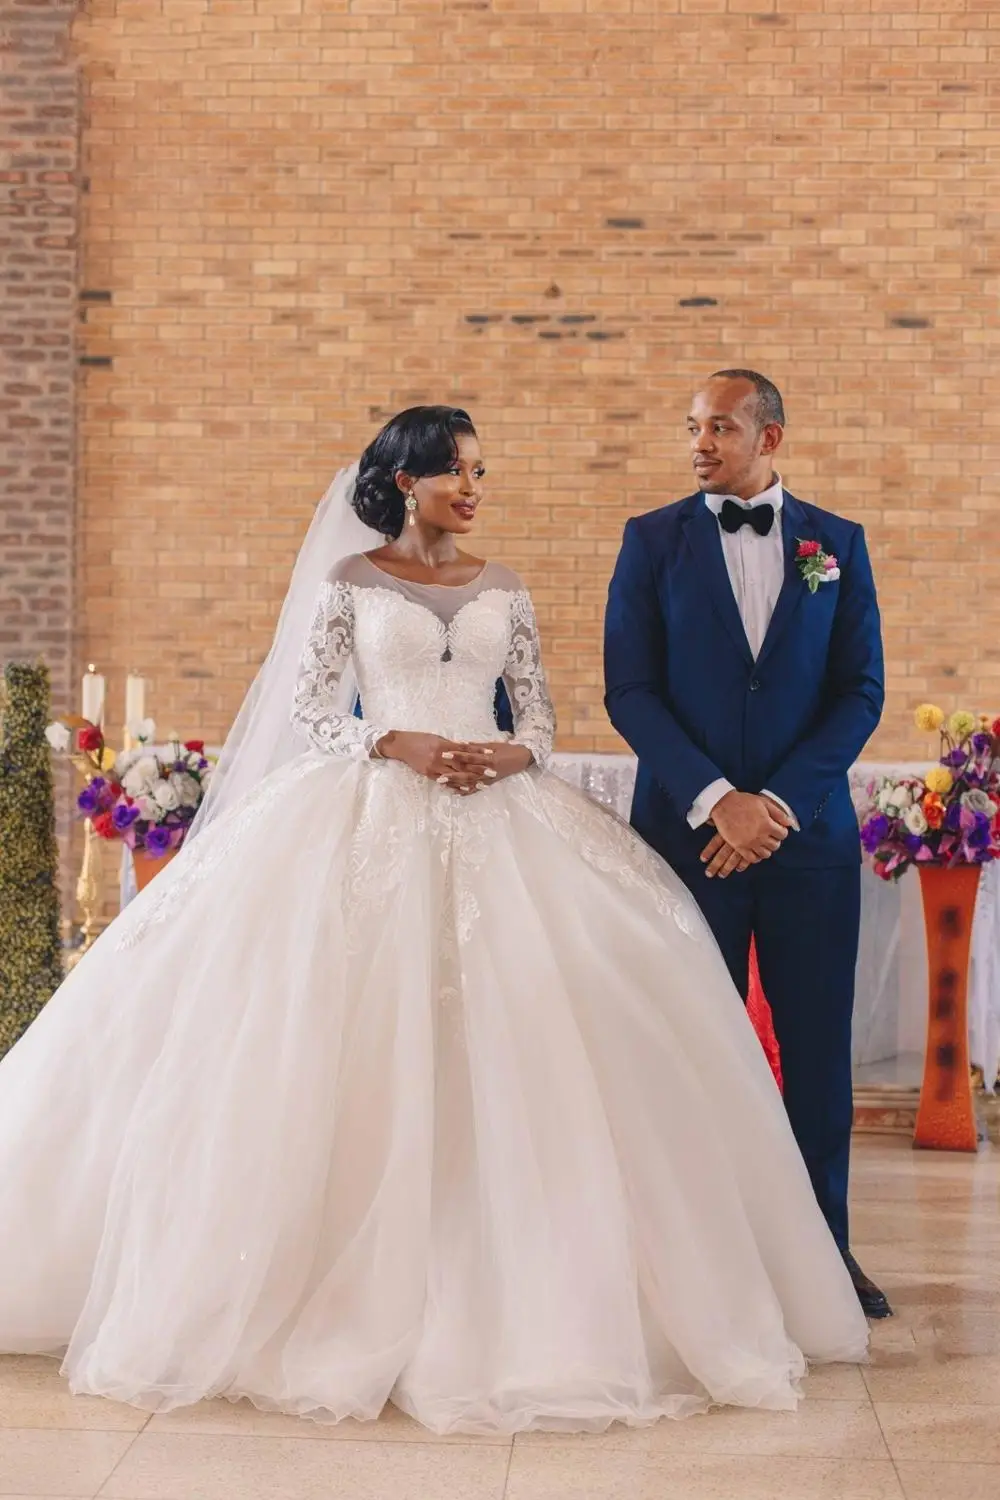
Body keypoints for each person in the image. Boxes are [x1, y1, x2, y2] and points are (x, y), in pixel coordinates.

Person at [0, 406, 869, 1436]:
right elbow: (312, 711)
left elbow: (537, 712)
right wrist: (390, 743)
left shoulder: (504, 586)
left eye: (480, 473)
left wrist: (513, 755)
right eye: (457, 472)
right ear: (404, 482)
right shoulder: (350, 585)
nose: (473, 489)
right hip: (372, 808)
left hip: (502, 813)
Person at [604, 371, 891, 1320]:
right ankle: (698, 1271)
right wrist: (720, 801)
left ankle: (825, 1260)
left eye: (718, 428)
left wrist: (775, 805)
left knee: (815, 1059)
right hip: (688, 846)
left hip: (806, 846)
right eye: (690, 427)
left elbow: (859, 693)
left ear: (771, 436)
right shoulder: (651, 541)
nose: (698, 443)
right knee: (689, 1054)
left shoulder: (835, 546)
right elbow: (630, 690)